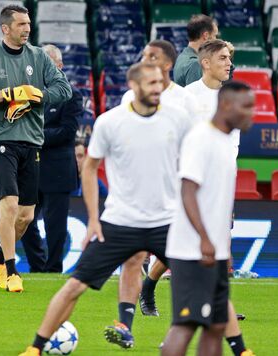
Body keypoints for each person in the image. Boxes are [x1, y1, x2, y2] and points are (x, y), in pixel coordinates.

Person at [18, 62, 192, 356]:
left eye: (161, 83)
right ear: (134, 86)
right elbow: (89, 167)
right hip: (120, 222)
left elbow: (193, 166)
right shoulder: (110, 122)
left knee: (205, 285)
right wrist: (93, 219)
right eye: (151, 83)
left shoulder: (179, 119)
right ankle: (35, 348)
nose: (158, 88)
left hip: (166, 222)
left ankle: (239, 349)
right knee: (74, 287)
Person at [101, 39, 199, 349]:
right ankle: (125, 325)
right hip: (137, 197)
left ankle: (187, 333)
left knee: (189, 268)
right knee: (132, 260)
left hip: (174, 197)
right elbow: (121, 137)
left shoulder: (184, 101)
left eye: (151, 56)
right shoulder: (130, 96)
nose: (144, 60)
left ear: (167, 65)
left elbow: (195, 149)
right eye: (143, 55)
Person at [0, 5, 71, 292]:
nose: (27, 28)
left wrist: (37, 95)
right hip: (0, 139)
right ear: (5, 28)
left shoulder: (38, 57)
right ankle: (12, 271)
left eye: (28, 23)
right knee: (9, 204)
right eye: (21, 24)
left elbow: (65, 91)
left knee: (25, 216)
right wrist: (6, 95)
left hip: (31, 141)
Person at [161, 81, 255, 356]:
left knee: (215, 325)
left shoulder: (225, 141)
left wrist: (220, 245)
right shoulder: (200, 138)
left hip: (213, 249)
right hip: (192, 250)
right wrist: (204, 239)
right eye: (246, 106)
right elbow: (187, 191)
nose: (252, 113)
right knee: (186, 324)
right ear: (226, 105)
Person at [20, 44, 82, 273]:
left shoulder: (72, 94)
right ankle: (37, 265)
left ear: (60, 65)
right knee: (23, 220)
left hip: (57, 171)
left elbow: (67, 132)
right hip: (30, 168)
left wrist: (33, 135)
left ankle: (53, 269)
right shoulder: (27, 93)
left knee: (56, 227)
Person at [173, 14, 218, 87]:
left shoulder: (182, 56)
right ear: (206, 35)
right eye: (214, 35)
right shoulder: (195, 64)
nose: (216, 39)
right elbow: (197, 97)